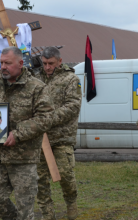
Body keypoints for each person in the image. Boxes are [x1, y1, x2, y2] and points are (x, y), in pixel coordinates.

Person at [0, 46, 54, 220]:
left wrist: (17, 134)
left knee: (25, 208)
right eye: (1, 62)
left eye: (7, 63)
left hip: (24, 158)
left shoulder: (36, 87)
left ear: (20, 63)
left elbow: (45, 118)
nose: (3, 66)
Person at [34, 47, 82, 220]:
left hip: (61, 137)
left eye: (51, 64)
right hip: (39, 138)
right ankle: (47, 213)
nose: (47, 67)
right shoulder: (35, 79)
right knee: (40, 179)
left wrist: (48, 118)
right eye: (45, 63)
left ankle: (71, 203)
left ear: (60, 61)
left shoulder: (71, 79)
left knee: (65, 175)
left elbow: (72, 106)